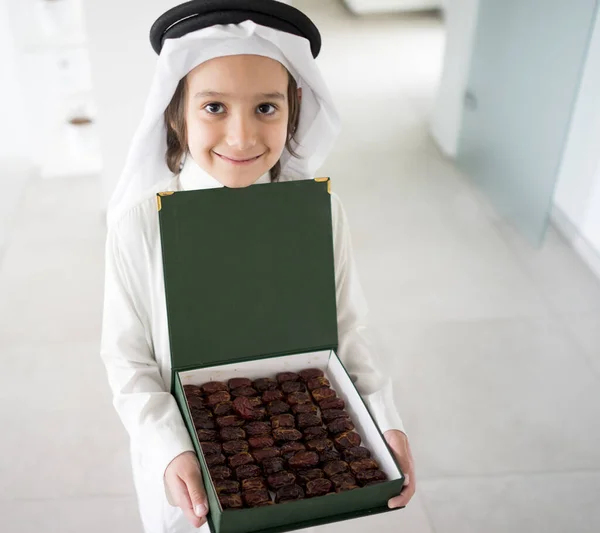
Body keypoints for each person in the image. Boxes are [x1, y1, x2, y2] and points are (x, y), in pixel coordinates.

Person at [100, 1, 415, 532]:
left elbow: (348, 327)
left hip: (303, 449)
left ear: (294, 108)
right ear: (177, 112)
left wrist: (385, 420)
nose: (242, 137)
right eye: (214, 107)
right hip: (187, 471)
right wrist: (169, 449)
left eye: (265, 108)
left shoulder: (318, 213)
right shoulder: (140, 224)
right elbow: (127, 361)